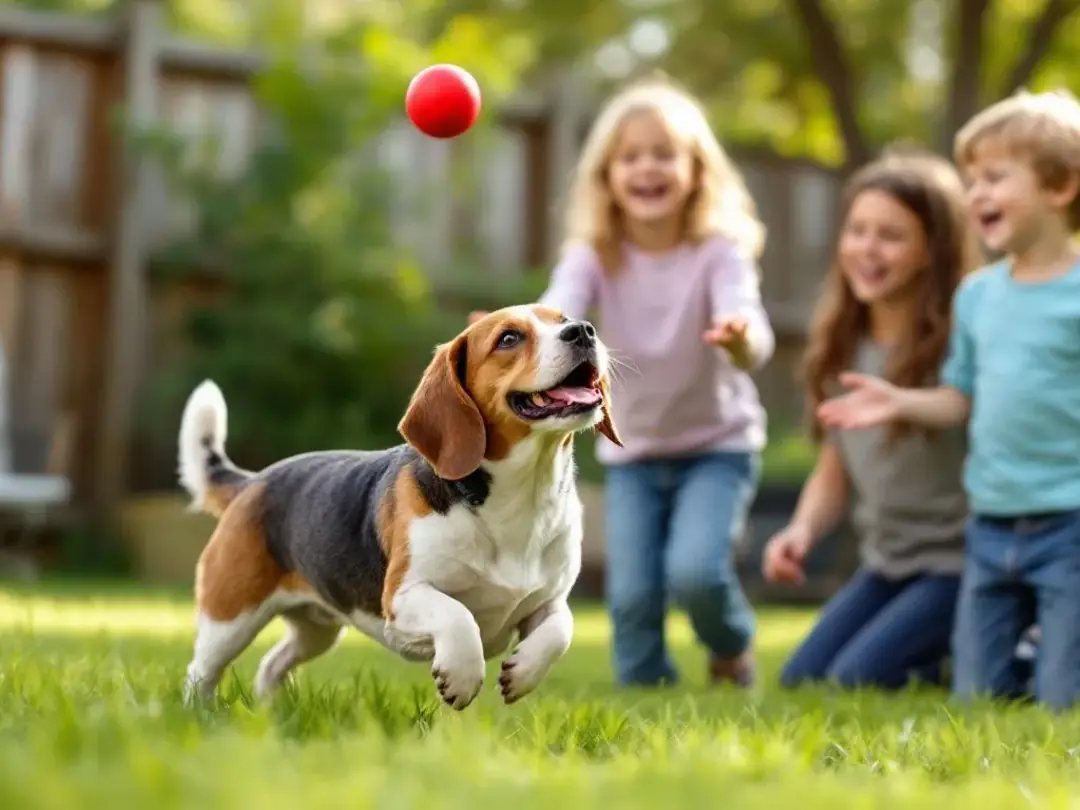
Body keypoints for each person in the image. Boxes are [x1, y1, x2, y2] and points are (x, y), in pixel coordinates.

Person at [473, 74, 775, 688]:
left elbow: (753, 333)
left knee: (698, 574)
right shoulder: (594, 254)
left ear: (696, 170)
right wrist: (509, 332)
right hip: (634, 452)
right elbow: (555, 309)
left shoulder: (718, 251)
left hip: (717, 448)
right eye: (631, 157)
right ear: (607, 176)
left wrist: (742, 338)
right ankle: (647, 695)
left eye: (664, 155)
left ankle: (731, 648)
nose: (647, 168)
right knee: (632, 599)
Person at [816, 88, 1080, 710]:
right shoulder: (978, 298)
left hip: (1068, 521)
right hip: (989, 523)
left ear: (1061, 186)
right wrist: (900, 402)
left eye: (995, 177)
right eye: (971, 179)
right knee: (976, 700)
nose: (977, 193)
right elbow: (960, 399)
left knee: (1061, 698)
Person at [762, 149, 981, 691]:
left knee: (856, 678)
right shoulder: (842, 343)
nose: (868, 248)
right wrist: (802, 530)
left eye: (891, 235)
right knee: (802, 679)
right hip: (887, 563)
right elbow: (835, 464)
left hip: (959, 564)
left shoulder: (961, 343)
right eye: (857, 229)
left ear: (933, 250)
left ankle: (996, 651)